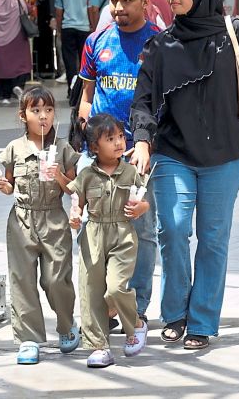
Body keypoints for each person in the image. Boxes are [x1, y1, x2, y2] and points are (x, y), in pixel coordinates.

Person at [128, 0, 239, 351]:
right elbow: (143, 100)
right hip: (174, 151)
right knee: (174, 230)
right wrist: (142, 140)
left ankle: (202, 321)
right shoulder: (161, 45)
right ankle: (175, 312)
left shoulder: (234, 33)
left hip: (225, 153)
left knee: (213, 239)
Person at [77, 0, 162, 322]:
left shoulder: (159, 42)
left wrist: (147, 144)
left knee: (141, 230)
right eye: (113, 0)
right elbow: (87, 96)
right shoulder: (96, 42)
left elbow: (165, 101)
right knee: (91, 229)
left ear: (145, 1)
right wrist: (87, 136)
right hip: (96, 157)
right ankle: (98, 306)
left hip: (140, 154)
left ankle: (135, 308)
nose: (117, 8)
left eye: (127, 1)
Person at [0, 87, 81, 365]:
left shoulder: (63, 149)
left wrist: (59, 176)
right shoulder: (14, 149)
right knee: (22, 280)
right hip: (22, 220)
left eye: (48, 110)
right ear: (24, 116)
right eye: (36, 110)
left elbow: (73, 189)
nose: (43, 116)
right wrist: (4, 186)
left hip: (53, 219)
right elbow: (9, 184)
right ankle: (28, 339)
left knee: (56, 279)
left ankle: (67, 324)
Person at [69, 113, 150, 368]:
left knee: (115, 288)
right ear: (94, 147)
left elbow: (145, 201)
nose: (119, 143)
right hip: (93, 235)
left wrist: (140, 209)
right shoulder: (86, 175)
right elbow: (77, 202)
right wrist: (75, 215)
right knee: (91, 290)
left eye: (120, 137)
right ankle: (99, 346)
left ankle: (135, 324)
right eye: (110, 139)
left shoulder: (130, 171)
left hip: (122, 235)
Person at [54, 0, 92, 88]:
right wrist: (92, 26)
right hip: (84, 28)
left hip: (67, 27)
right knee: (84, 59)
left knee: (69, 59)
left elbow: (58, 13)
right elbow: (90, 10)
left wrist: (59, 29)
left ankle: (71, 88)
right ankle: (82, 88)